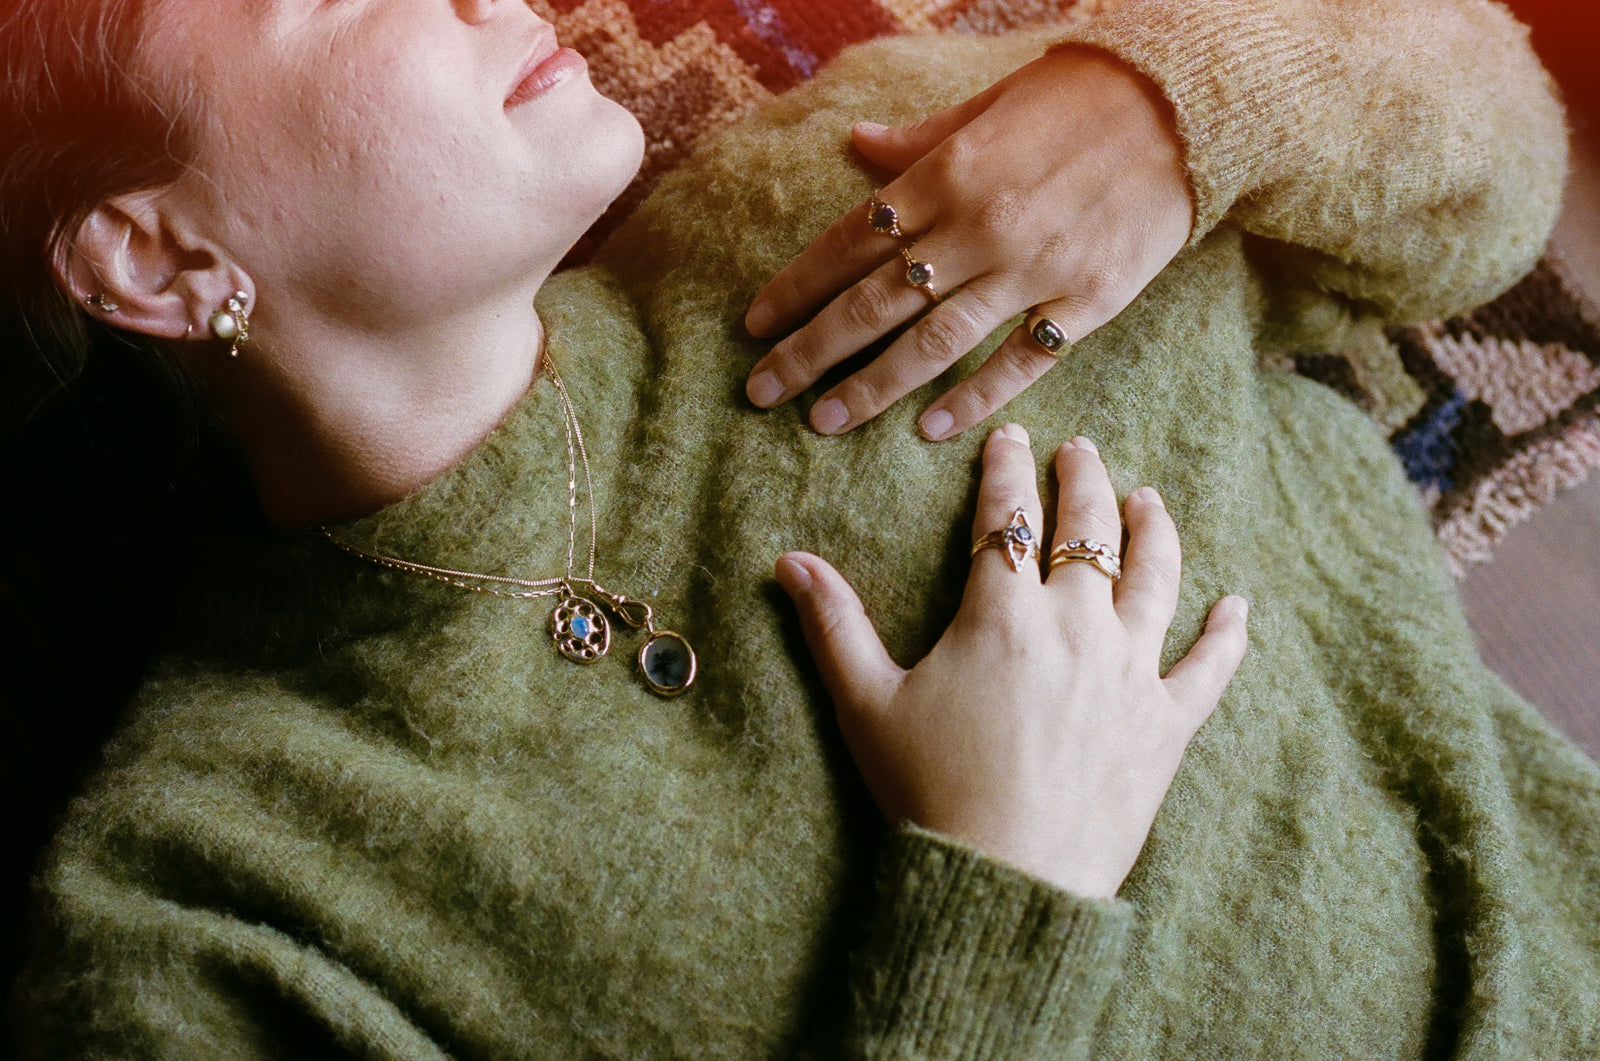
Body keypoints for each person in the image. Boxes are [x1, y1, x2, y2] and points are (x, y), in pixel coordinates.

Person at [6, 0, 1598, 1058]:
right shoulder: (201, 914)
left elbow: (1501, 171)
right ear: (156, 260)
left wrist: (1187, 108)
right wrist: (1000, 885)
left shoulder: (881, 195)